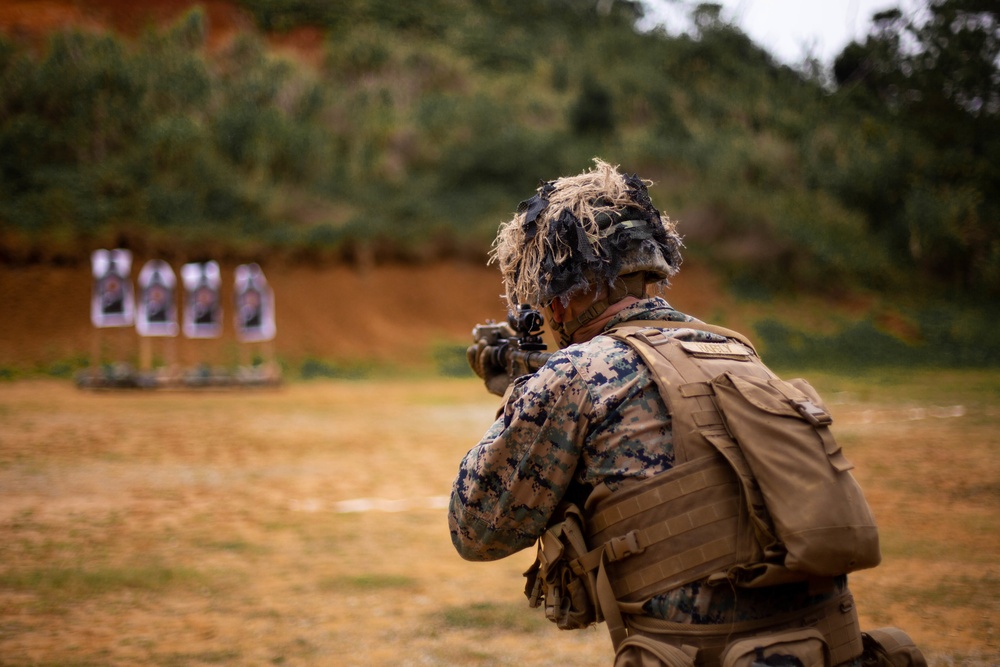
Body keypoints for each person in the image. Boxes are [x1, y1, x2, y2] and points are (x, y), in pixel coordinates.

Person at [449, 160, 920, 667]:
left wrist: (524, 397)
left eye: (547, 303)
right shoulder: (735, 351)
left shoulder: (573, 374)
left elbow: (475, 528)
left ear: (560, 301)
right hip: (831, 649)